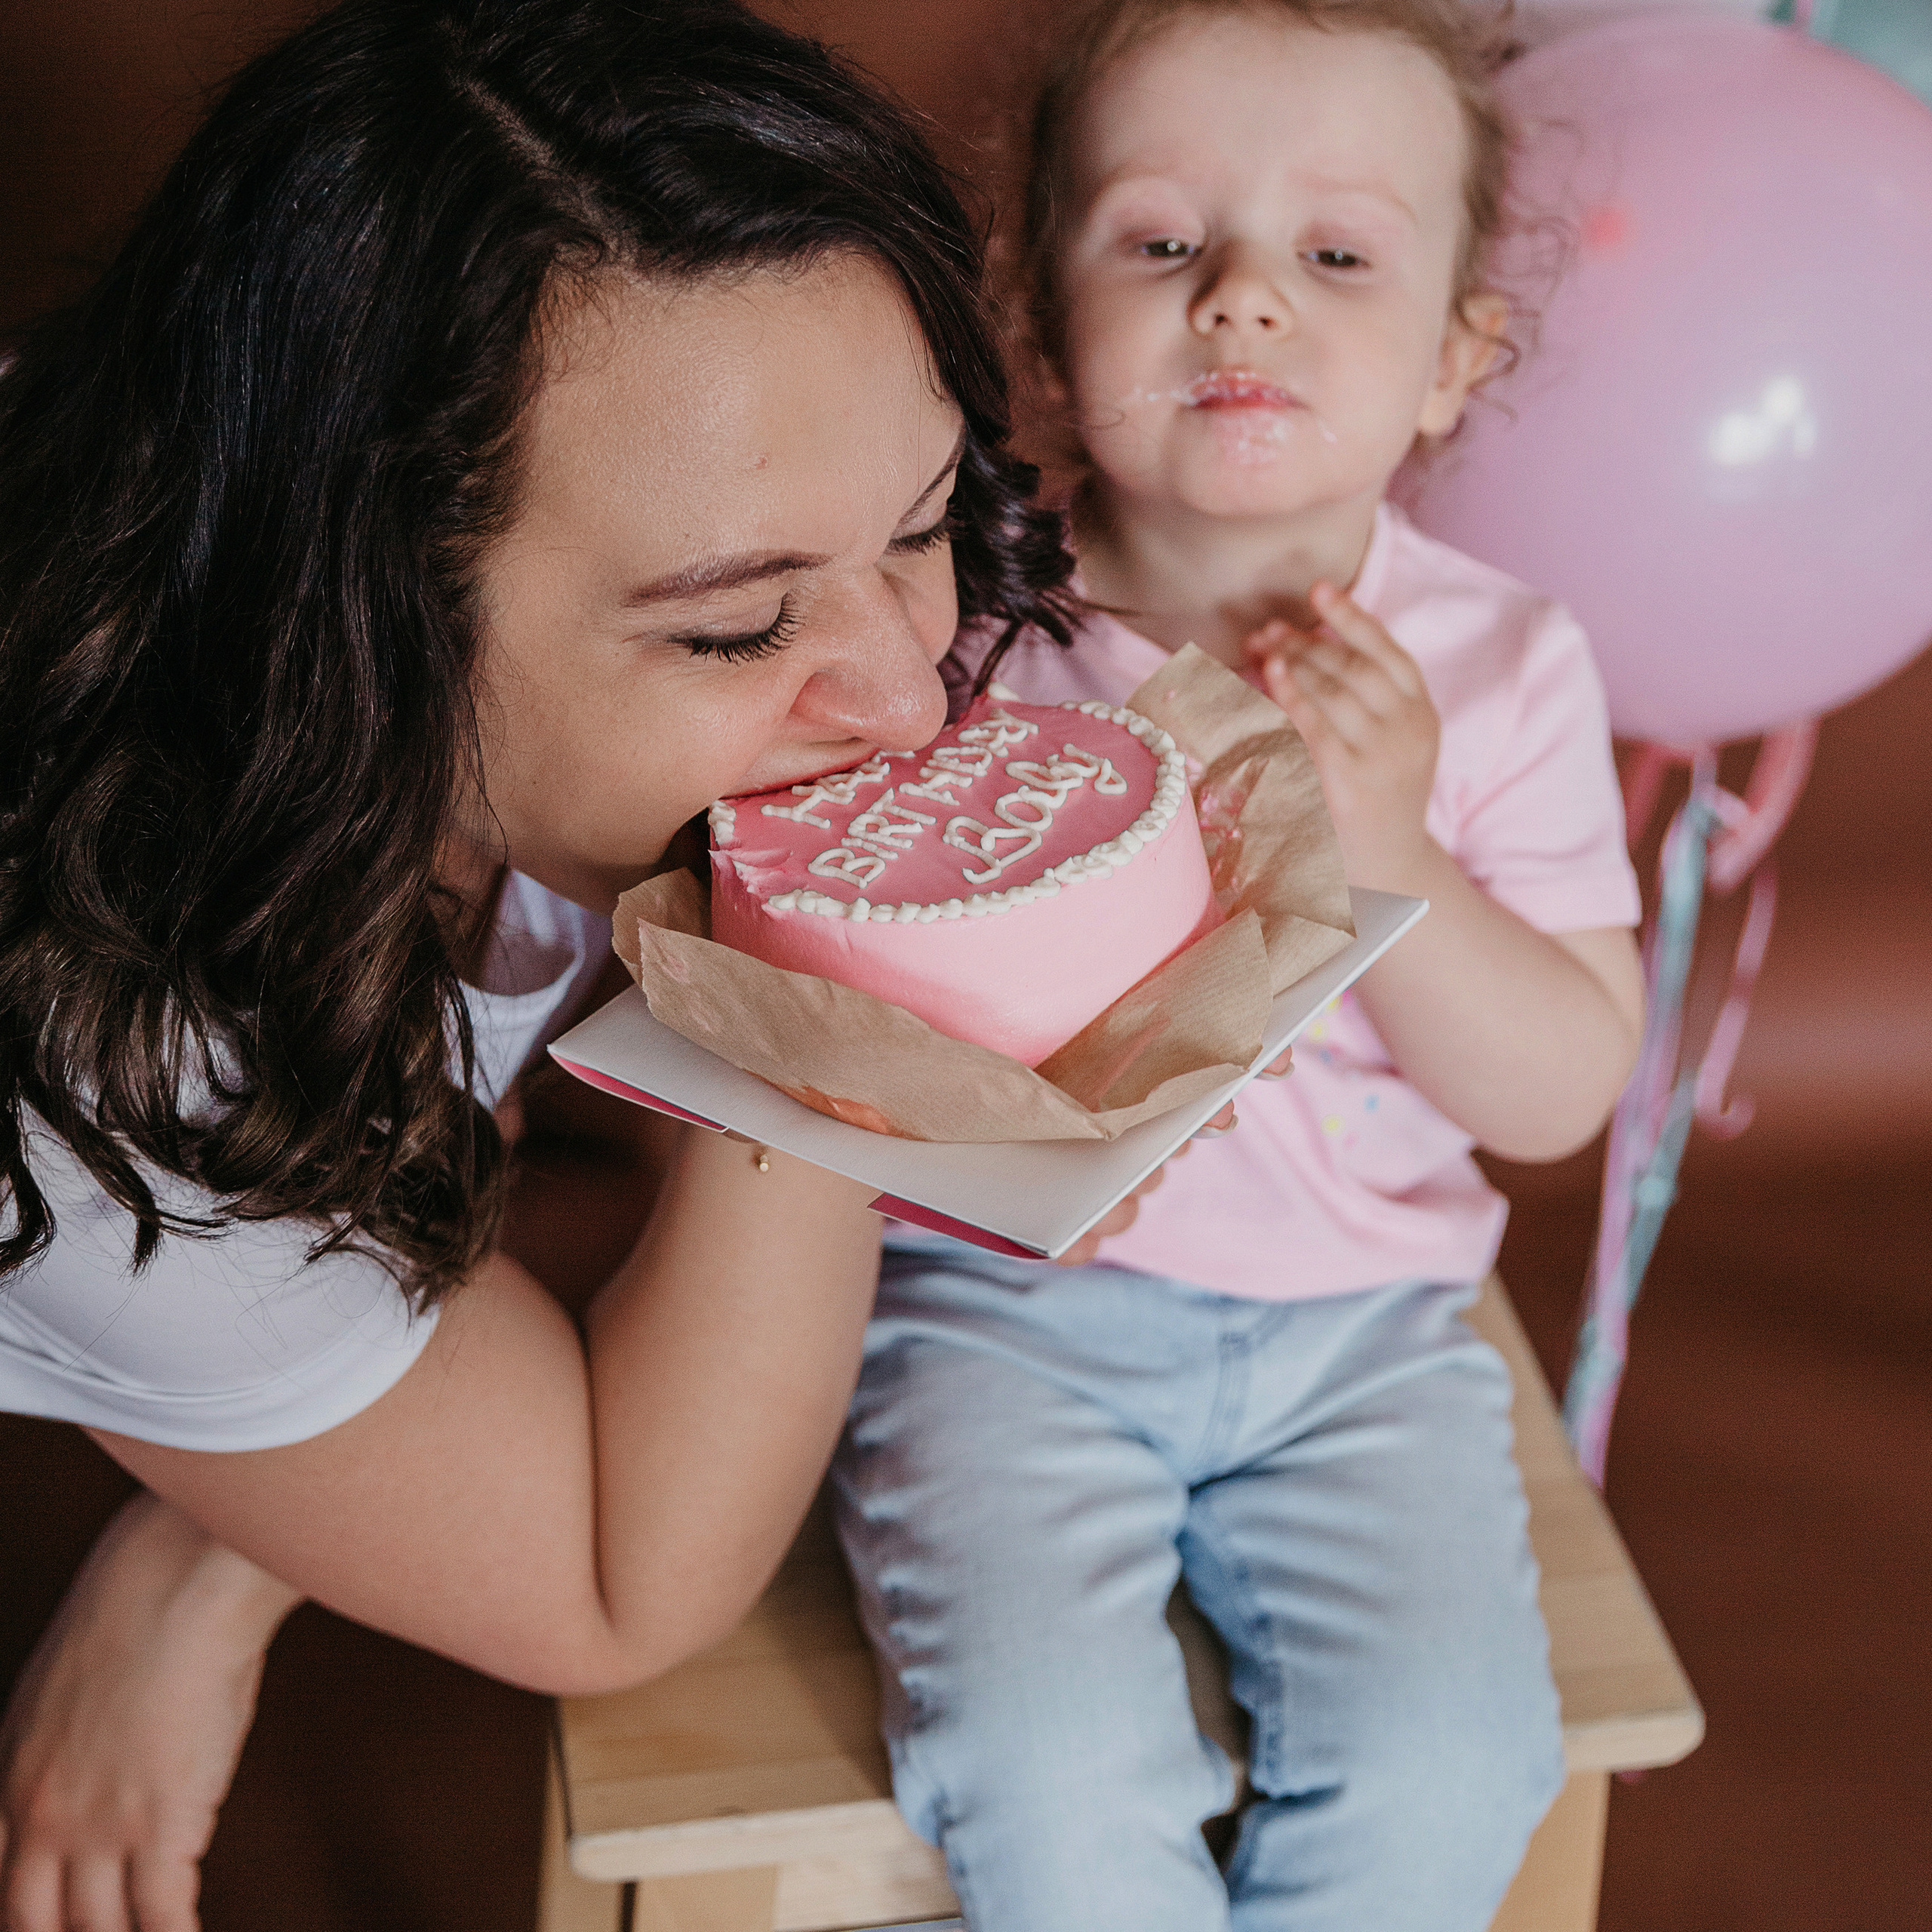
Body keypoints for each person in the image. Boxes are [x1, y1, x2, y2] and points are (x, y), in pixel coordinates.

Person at [0, 4, 1204, 1924]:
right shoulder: (115, 1063)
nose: (907, 696)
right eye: (734, 629)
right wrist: (832, 1008)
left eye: (913, 527)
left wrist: (218, 1529)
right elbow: (614, 1571)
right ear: (359, 617)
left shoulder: (384, 638)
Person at [829, 3, 1647, 1928]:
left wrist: (1389, 846)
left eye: (1338, 255)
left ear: (1455, 356)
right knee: (1040, 1756)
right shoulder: (954, 624)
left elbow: (1552, 1088)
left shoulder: (1508, 668)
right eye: (1162, 241)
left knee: (1458, 1762)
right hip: (995, 1320)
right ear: (1037, 319)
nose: (1243, 304)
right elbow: (830, 999)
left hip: (1360, 1345)